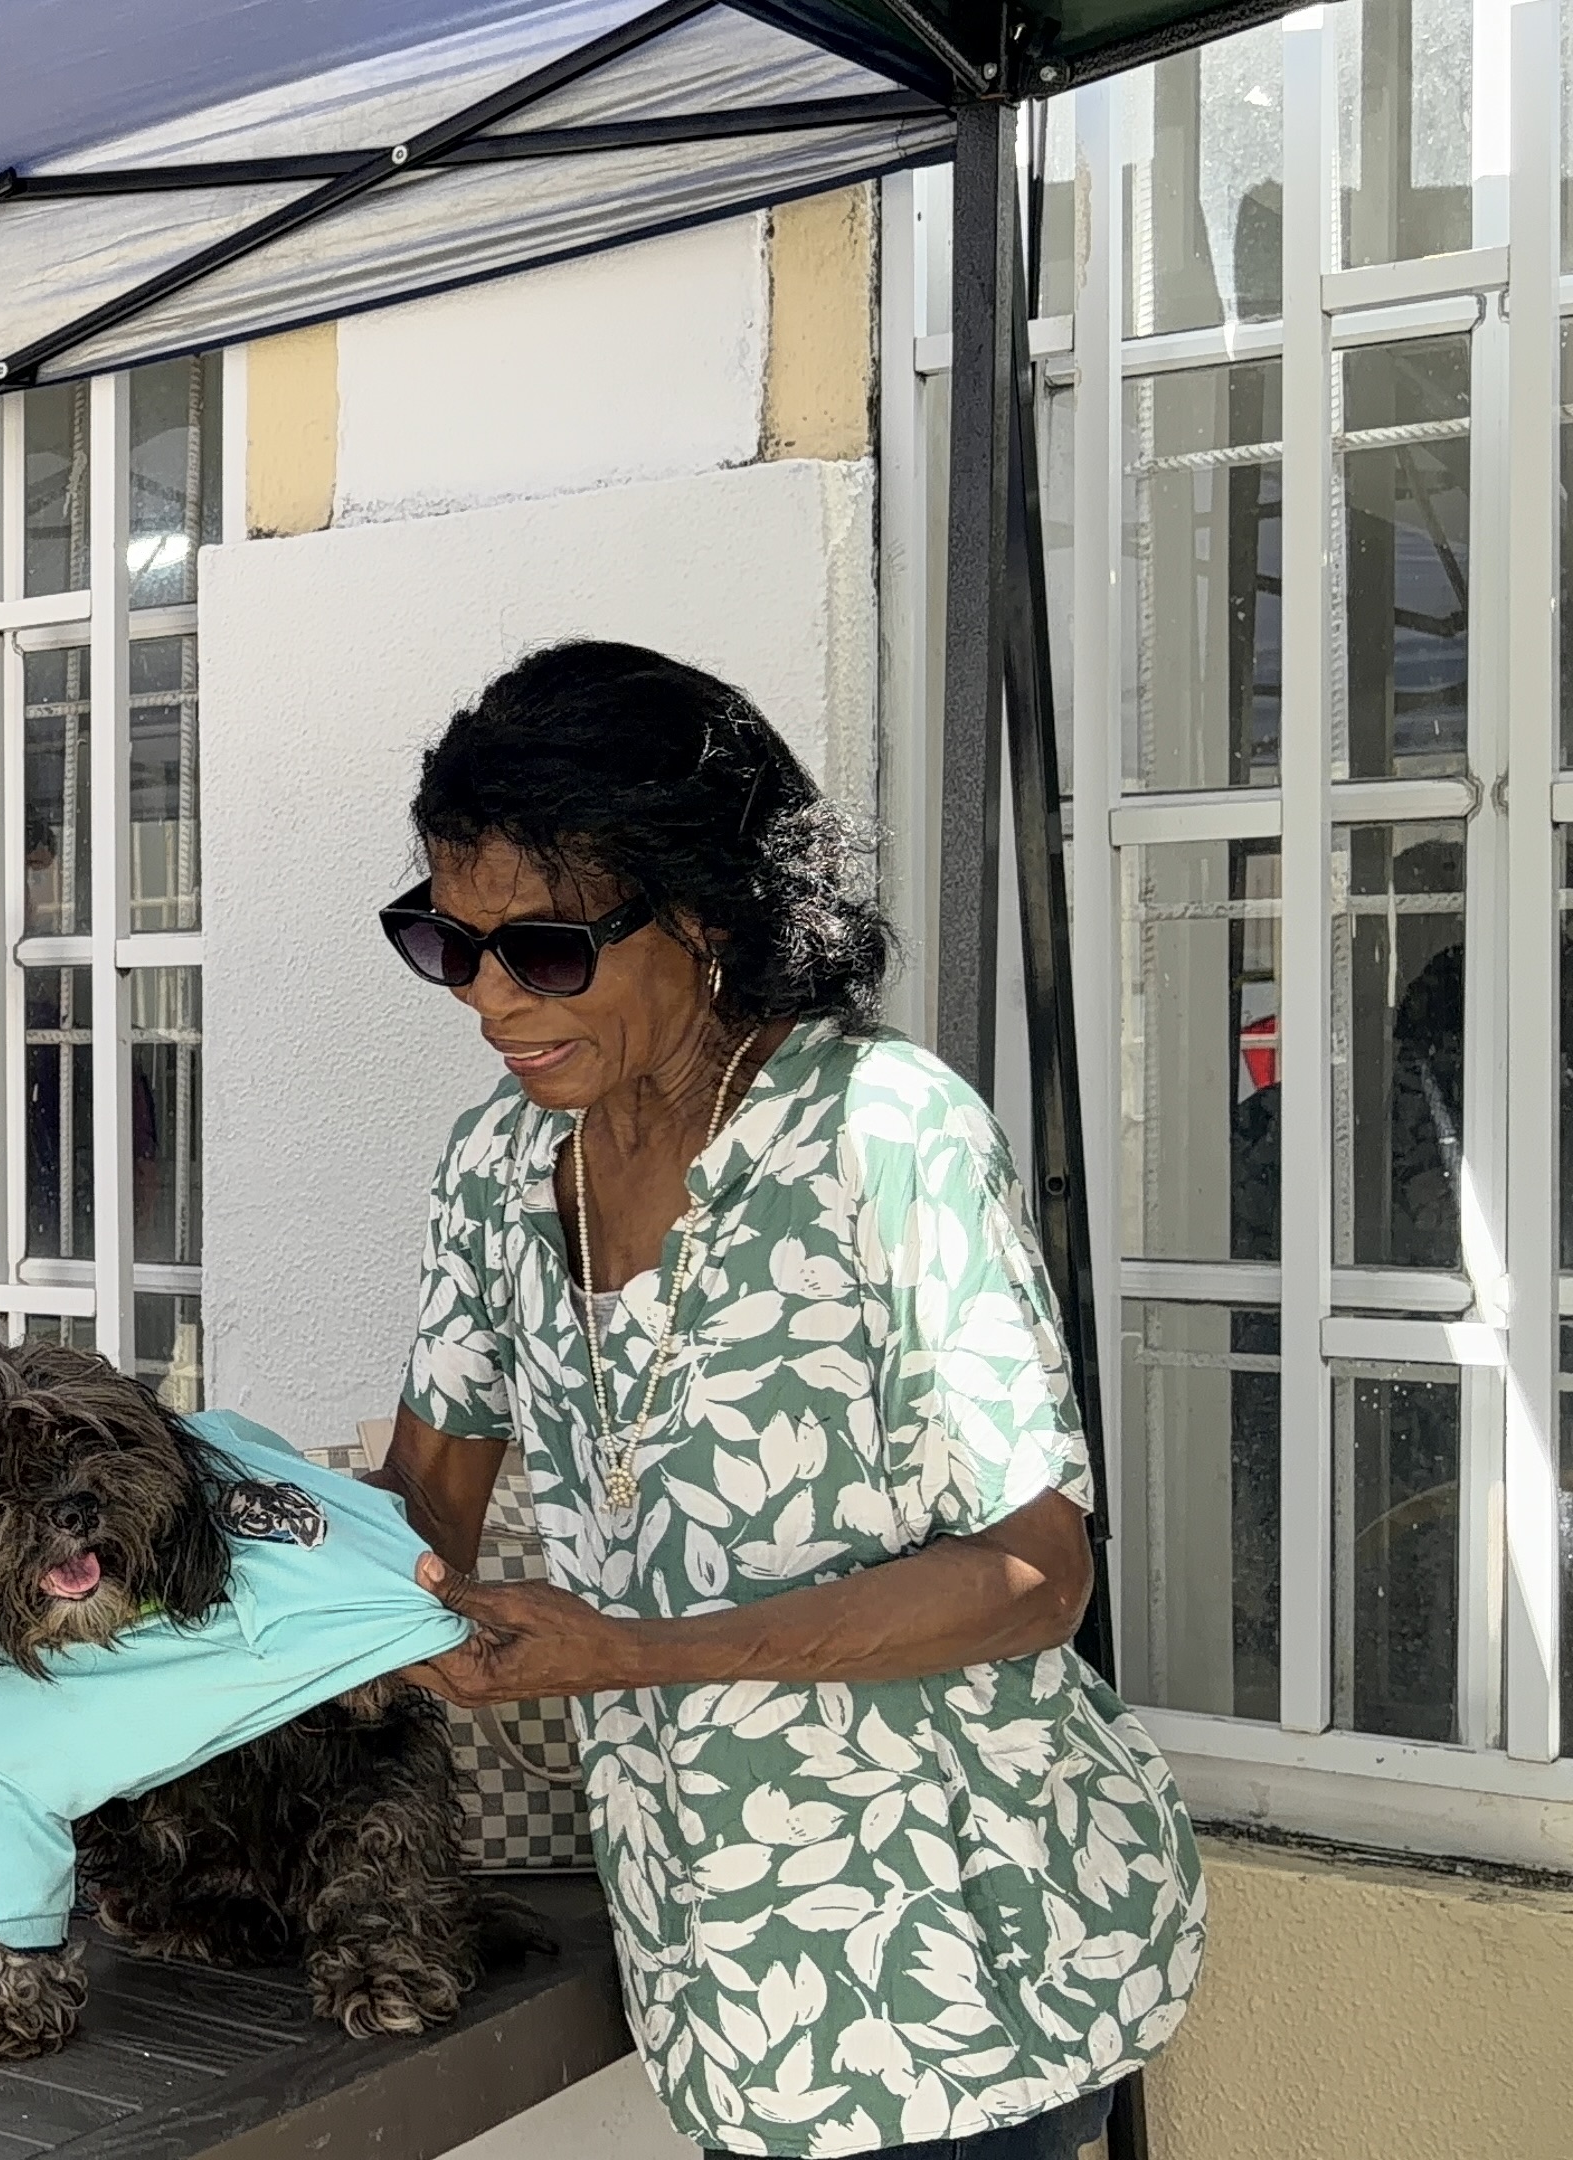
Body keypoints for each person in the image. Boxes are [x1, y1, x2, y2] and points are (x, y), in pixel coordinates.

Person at [371, 642, 1204, 2160]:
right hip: (718, 1984)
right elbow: (425, 1498)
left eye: (544, 950)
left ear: (705, 911)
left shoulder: (886, 1140)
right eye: (448, 942)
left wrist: (639, 1655)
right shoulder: (499, 1164)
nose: (489, 1000)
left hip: (962, 1969)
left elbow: (1035, 1574)